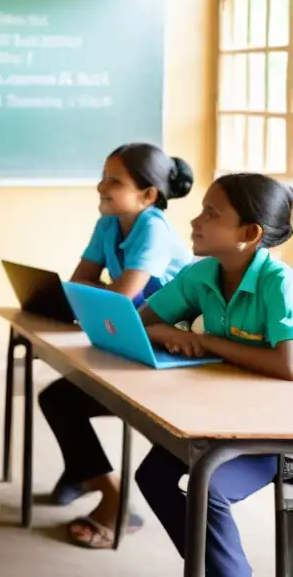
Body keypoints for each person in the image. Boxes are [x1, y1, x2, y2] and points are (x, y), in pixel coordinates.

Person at [135, 172, 293, 576]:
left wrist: (204, 343)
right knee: (154, 475)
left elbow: (286, 365)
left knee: (209, 489)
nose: (195, 221)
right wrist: (163, 331)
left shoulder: (279, 283)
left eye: (211, 213)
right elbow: (141, 323)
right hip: (228, 418)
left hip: (279, 428)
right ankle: (220, 570)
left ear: (250, 232)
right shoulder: (201, 274)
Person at [37, 143, 194, 549]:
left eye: (114, 181)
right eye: (103, 176)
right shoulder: (109, 223)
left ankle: (112, 499)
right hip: (127, 341)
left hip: (170, 353)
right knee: (59, 399)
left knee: (66, 400)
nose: (100, 186)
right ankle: (105, 486)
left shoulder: (153, 228)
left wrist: (100, 295)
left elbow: (119, 298)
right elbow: (80, 284)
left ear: (148, 195)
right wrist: (101, 295)